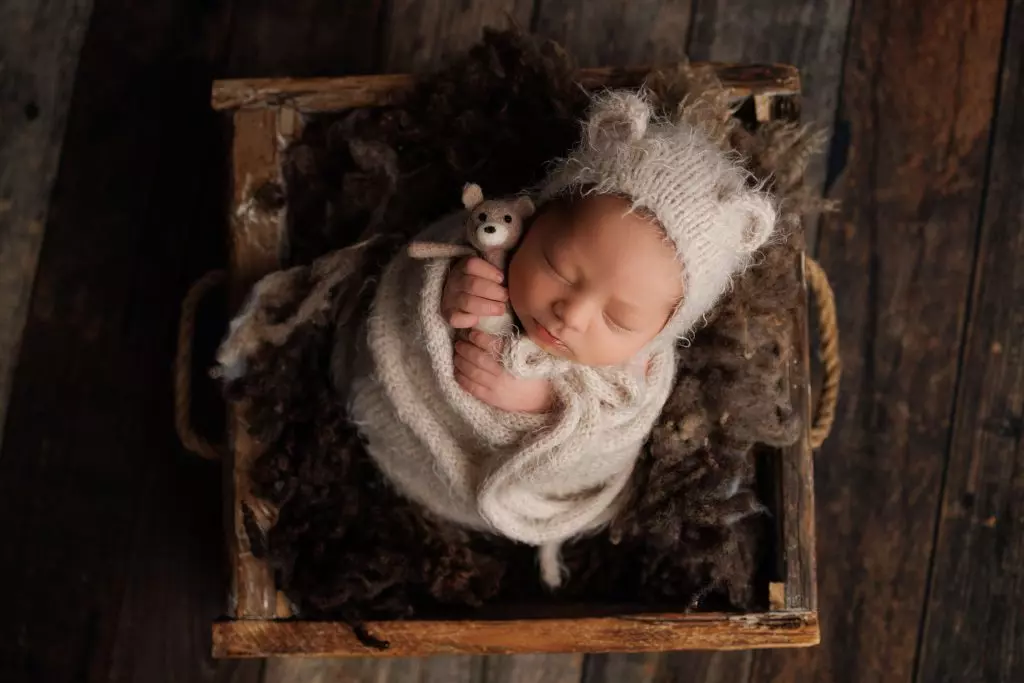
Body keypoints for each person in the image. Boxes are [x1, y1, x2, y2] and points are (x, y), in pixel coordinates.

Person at [346, 90, 778, 587]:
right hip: (389, 424)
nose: (572, 314)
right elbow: (416, 268)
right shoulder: (487, 247)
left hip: (466, 496)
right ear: (535, 218)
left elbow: (604, 450)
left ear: (660, 336)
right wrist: (445, 293)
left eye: (618, 319)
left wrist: (541, 407)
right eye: (558, 268)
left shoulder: (638, 378)